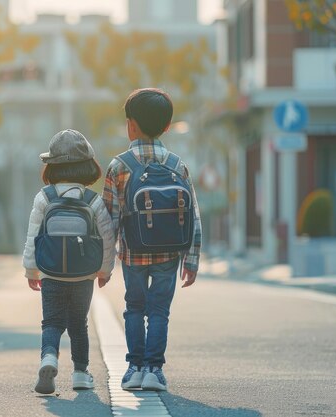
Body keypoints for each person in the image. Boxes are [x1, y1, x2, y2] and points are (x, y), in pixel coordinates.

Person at [102, 88, 202, 391]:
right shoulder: (177, 164)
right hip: (170, 253)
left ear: (130, 125)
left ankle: (134, 368)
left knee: (134, 307)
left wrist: (104, 266)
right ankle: (154, 372)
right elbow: (193, 213)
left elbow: (109, 222)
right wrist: (192, 258)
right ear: (168, 127)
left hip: (133, 252)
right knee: (159, 310)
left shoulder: (119, 166)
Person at [23, 129, 116, 395]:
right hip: (83, 275)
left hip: (51, 273)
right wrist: (104, 270)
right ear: (88, 166)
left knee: (51, 322)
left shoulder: (44, 198)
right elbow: (107, 237)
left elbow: (33, 236)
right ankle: (80, 373)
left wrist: (32, 270)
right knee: (78, 324)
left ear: (51, 166)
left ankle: (49, 357)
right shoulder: (92, 200)